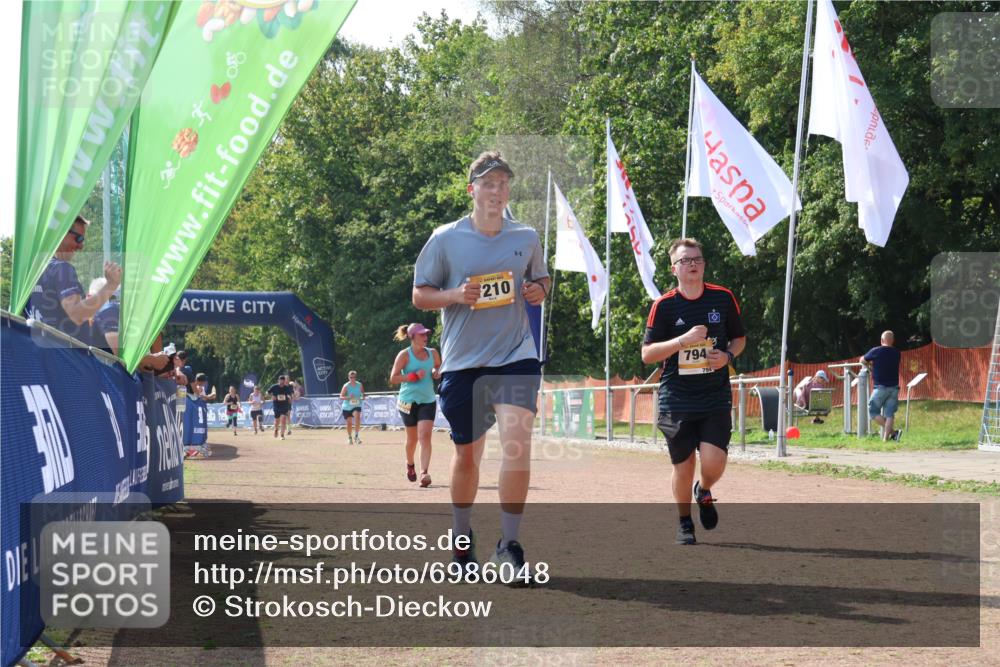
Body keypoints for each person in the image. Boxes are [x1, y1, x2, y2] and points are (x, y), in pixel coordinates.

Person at [413, 151, 549, 578]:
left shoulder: (525, 236)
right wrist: (455, 296)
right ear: (472, 190)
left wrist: (538, 291)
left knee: (517, 444)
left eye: (503, 184)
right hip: (463, 364)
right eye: (488, 184)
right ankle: (461, 535)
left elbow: (541, 278)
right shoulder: (445, 238)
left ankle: (509, 545)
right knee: (468, 456)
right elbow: (420, 294)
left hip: (516, 355)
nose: (496, 191)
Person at [641, 238, 746, 546]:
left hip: (714, 395)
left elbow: (739, 338)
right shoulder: (663, 306)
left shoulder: (723, 298)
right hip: (677, 398)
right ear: (674, 269)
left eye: (697, 259)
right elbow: (647, 354)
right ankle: (684, 521)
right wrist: (681, 341)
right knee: (683, 464)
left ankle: (705, 489)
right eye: (685, 260)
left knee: (714, 462)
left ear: (704, 264)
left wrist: (727, 357)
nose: (692, 264)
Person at [24, 215, 121, 347]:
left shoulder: (30, 273)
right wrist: (111, 285)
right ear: (62, 233)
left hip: (40, 358)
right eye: (79, 238)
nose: (81, 246)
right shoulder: (61, 268)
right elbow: (77, 314)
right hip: (68, 361)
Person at [389, 323, 442, 488]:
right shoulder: (404, 355)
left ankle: (424, 473)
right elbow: (393, 378)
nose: (425, 338)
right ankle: (410, 464)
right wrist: (411, 376)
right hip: (407, 401)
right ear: (412, 337)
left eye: (426, 334)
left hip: (427, 400)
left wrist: (435, 372)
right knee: (412, 440)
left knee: (425, 436)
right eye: (421, 335)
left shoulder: (433, 353)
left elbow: (438, 367)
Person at [861, 330, 902, 441]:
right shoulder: (897, 352)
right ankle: (886, 439)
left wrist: (870, 367)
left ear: (881, 340)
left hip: (880, 387)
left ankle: (893, 433)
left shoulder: (876, 351)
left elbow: (862, 360)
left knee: (873, 411)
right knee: (889, 414)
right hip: (894, 387)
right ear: (893, 341)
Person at [340, 371, 365, 445]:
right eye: (351, 377)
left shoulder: (359, 385)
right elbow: (341, 396)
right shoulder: (346, 386)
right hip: (347, 407)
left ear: (355, 377)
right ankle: (349, 437)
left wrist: (362, 397)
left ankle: (356, 436)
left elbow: (363, 394)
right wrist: (348, 397)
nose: (352, 379)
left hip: (356, 405)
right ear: (348, 377)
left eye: (354, 377)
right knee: (349, 423)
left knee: (357, 417)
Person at [267, 375, 295, 440]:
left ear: (284, 381)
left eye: (283, 381)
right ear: (278, 380)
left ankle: (282, 435)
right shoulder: (274, 387)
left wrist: (289, 398)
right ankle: (276, 429)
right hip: (276, 406)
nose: (282, 382)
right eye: (280, 381)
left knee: (283, 419)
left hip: (284, 405)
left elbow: (289, 395)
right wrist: (271, 396)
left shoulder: (287, 387)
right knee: (277, 421)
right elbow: (267, 392)